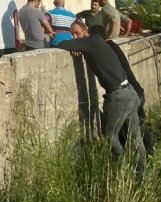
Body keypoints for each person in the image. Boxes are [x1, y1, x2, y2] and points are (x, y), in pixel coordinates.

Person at [57, 21, 146, 172]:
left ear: (86, 31)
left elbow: (63, 45)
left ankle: (123, 170)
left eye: (77, 33)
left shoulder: (90, 42)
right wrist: (79, 45)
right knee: (135, 136)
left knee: (110, 136)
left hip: (118, 96)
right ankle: (142, 171)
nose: (74, 36)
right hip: (130, 92)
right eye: (72, 33)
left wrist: (76, 45)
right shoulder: (96, 42)